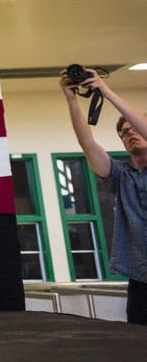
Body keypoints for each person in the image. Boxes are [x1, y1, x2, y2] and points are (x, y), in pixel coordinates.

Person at [60, 67, 147, 324]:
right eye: (123, 131)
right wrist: (72, 99)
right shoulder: (123, 177)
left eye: (135, 128)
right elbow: (87, 143)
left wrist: (104, 90)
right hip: (141, 278)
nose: (130, 132)